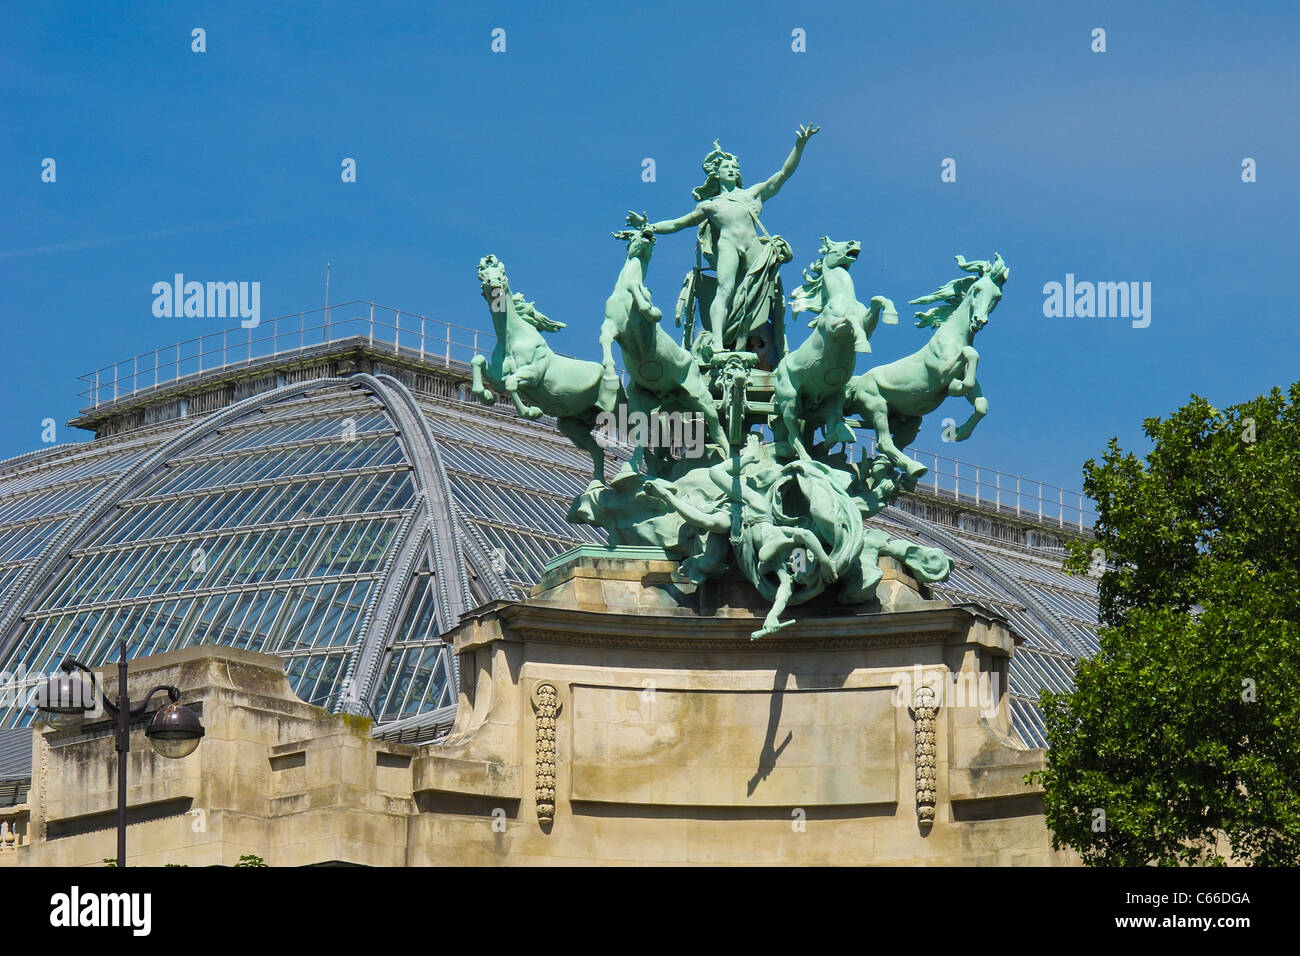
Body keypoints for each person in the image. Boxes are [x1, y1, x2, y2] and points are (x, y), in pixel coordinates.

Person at [629, 125, 819, 355]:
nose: (730, 169)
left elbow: (782, 175)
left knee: (757, 293)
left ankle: (754, 340)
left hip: (753, 246)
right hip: (728, 245)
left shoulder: (752, 194)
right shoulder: (710, 205)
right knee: (725, 290)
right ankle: (718, 343)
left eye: (733, 166)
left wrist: (799, 146)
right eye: (725, 167)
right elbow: (679, 223)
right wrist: (649, 227)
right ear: (716, 174)